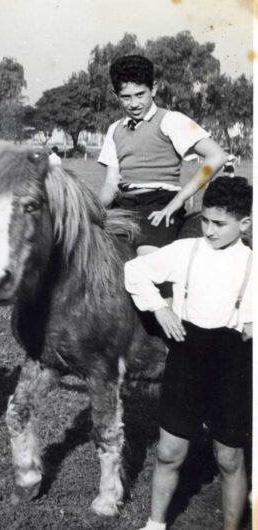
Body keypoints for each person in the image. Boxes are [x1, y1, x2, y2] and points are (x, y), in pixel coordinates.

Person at [125, 176, 252, 530]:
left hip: (232, 360)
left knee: (229, 457)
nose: (209, 230)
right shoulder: (187, 251)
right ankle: (155, 523)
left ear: (245, 224)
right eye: (205, 221)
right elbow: (134, 271)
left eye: (219, 224)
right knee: (169, 452)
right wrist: (159, 308)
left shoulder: (251, 263)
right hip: (187, 354)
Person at [97, 54, 228, 256]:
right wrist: (94, 208)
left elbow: (217, 156)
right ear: (116, 96)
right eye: (126, 97)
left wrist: (176, 202)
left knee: (146, 261)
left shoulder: (171, 120)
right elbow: (111, 184)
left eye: (140, 94)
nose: (134, 103)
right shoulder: (114, 129)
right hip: (123, 204)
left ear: (154, 88)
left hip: (159, 202)